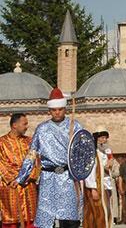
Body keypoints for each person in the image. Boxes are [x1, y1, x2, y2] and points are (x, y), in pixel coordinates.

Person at [15, 88, 83, 228]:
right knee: (46, 220)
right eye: (54, 110)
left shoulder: (75, 126)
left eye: (60, 109)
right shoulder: (42, 129)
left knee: (69, 219)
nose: (57, 112)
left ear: (64, 109)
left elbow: (83, 154)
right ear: (49, 111)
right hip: (48, 178)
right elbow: (32, 154)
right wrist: (21, 177)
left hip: (68, 178)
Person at [0, 113, 39, 228]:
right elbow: (1, 164)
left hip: (28, 185)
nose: (27, 126)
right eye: (24, 124)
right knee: (11, 220)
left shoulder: (30, 141)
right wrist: (14, 179)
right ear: (14, 125)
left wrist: (25, 178)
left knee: (30, 219)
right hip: (10, 186)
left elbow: (36, 161)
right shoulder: (2, 142)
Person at [83, 127, 111, 228]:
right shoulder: (91, 152)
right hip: (95, 186)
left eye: (105, 138)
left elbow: (104, 169)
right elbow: (89, 171)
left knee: (103, 212)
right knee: (96, 213)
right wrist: (93, 188)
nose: (104, 140)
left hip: (103, 185)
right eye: (102, 137)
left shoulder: (104, 151)